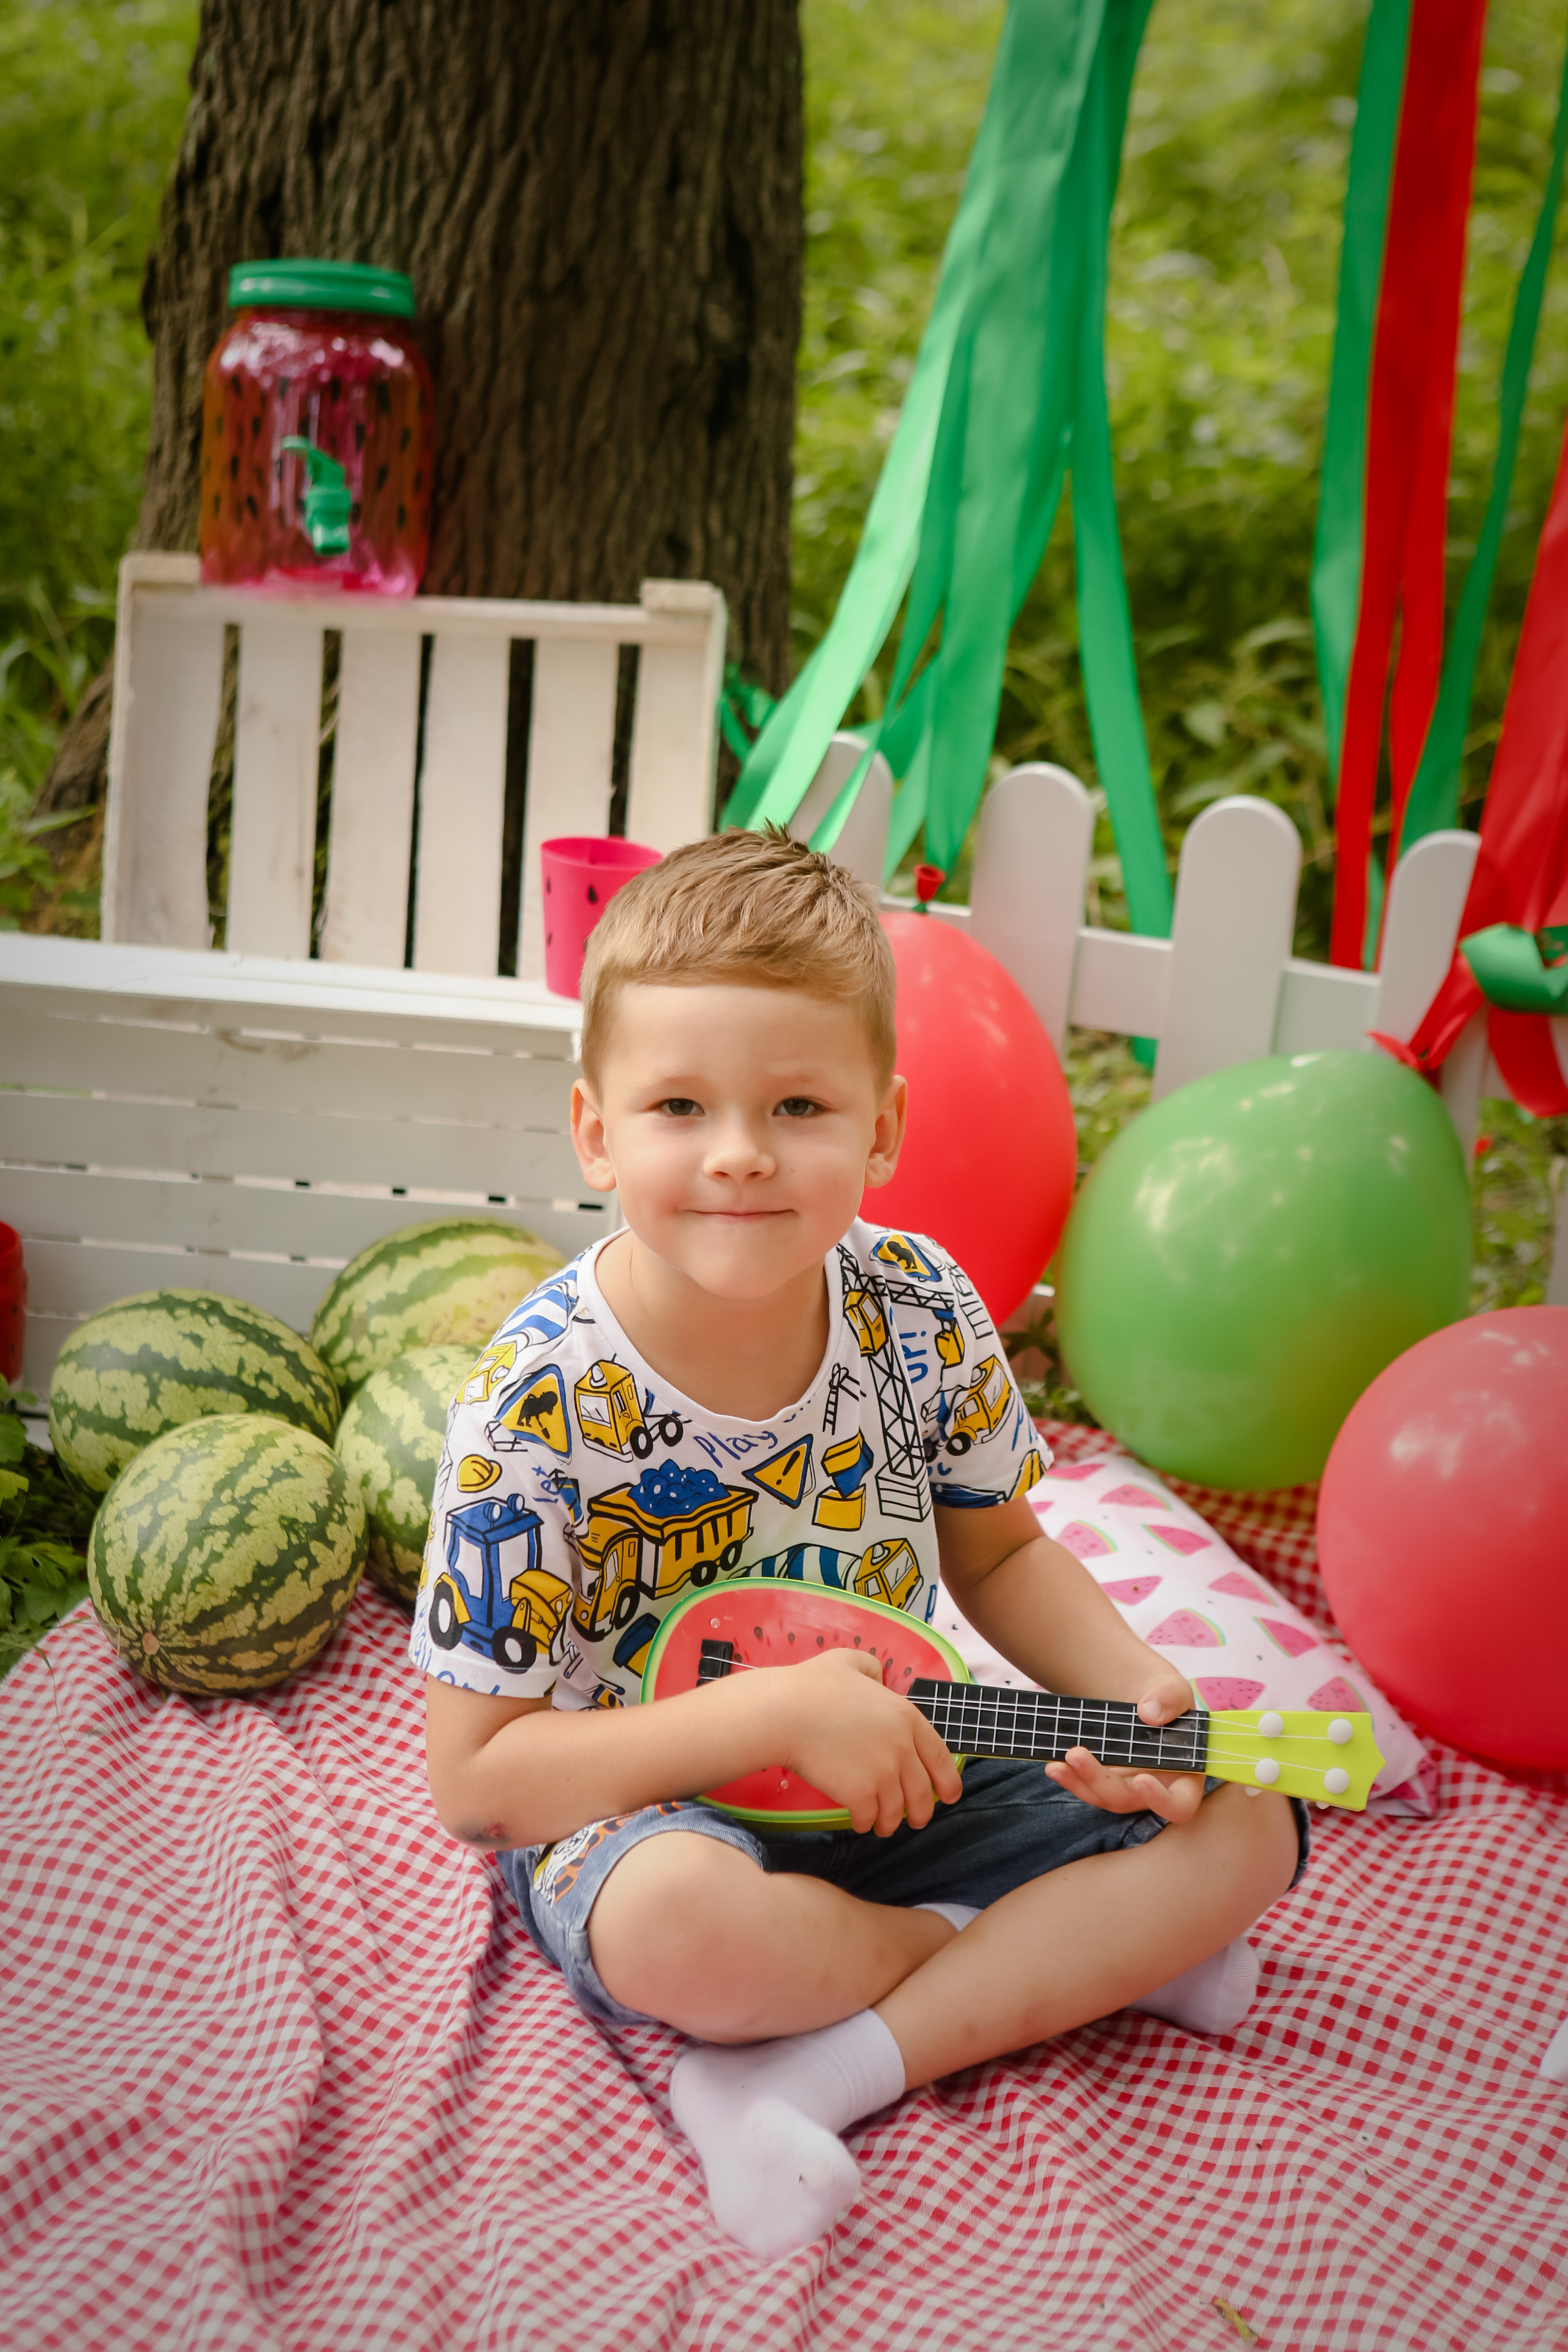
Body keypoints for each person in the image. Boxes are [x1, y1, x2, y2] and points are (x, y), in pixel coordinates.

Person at [416, 829, 1306, 2261]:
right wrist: (762, 1713)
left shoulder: (920, 1306)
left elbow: (1000, 1561)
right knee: (684, 1937)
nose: (738, 1154)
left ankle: (805, 2073)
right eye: (678, 1105)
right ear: (594, 1129)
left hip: (908, 1761)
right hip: (643, 1817)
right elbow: (478, 1783)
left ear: (882, 1128)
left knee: (1243, 1816)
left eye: (798, 1105)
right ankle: (1034, 1959)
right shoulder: (534, 1401)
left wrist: (1137, 1692)